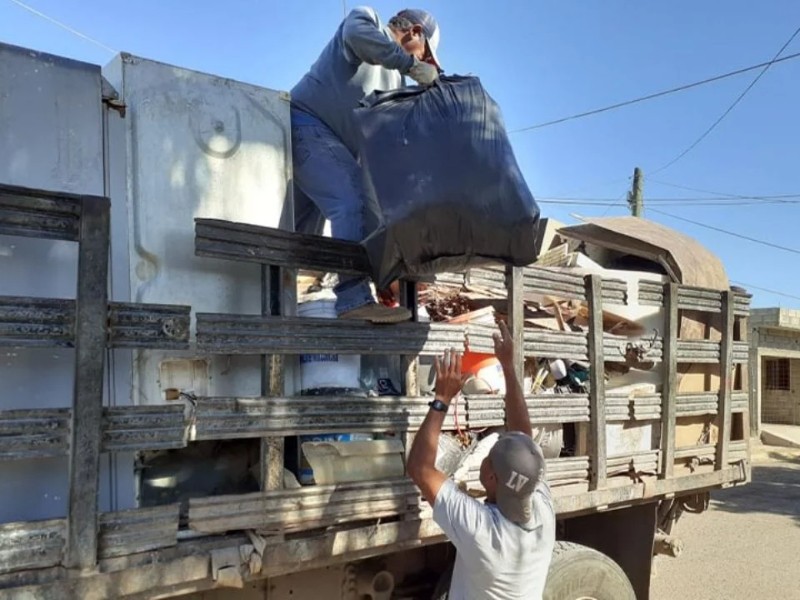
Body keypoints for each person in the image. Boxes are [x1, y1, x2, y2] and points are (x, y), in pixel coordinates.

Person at [290, 7, 442, 323]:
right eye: (426, 54)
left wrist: (385, 274)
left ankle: (288, 298)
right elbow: (356, 37)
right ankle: (352, 299)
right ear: (414, 32)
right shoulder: (366, 20)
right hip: (306, 123)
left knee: (299, 235)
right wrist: (412, 66)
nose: (424, 63)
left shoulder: (392, 83)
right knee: (351, 198)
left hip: (332, 147)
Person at [407, 321, 556, 599]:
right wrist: (508, 368)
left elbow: (419, 468)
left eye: (490, 455)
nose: (489, 453)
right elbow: (522, 437)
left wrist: (441, 398)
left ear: (491, 478)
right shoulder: (541, 512)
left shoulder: (483, 532)